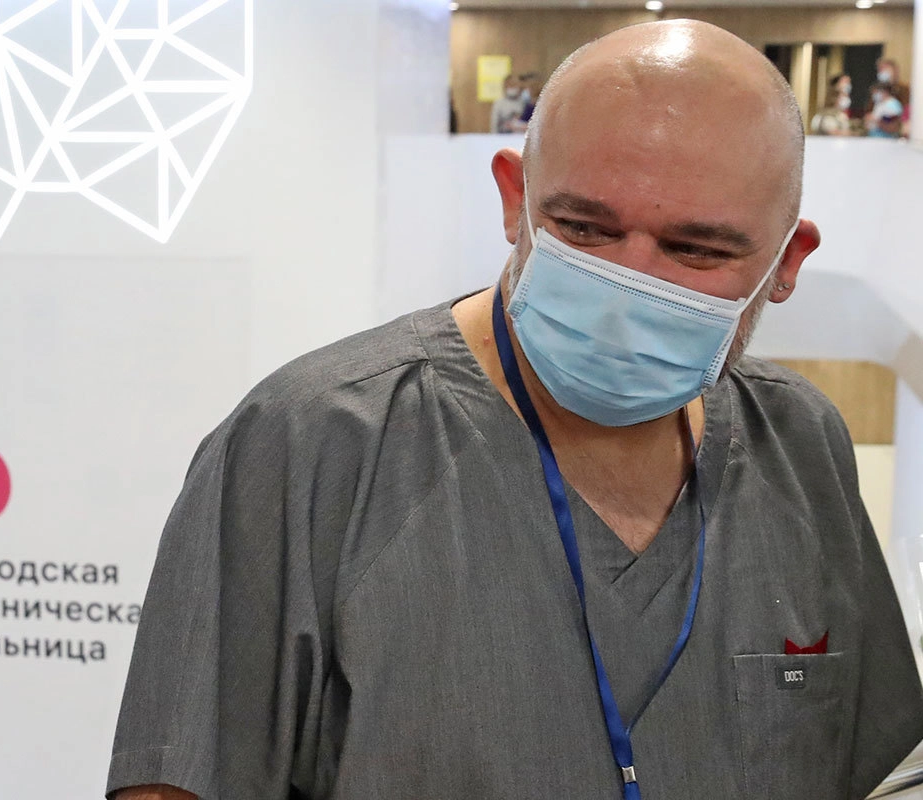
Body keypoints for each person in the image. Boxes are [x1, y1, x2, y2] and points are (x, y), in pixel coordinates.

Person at [105, 20, 923, 800]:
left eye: (695, 250)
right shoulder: (313, 445)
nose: (628, 285)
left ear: (787, 261)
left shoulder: (800, 445)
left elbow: (872, 768)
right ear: (513, 198)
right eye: (583, 229)